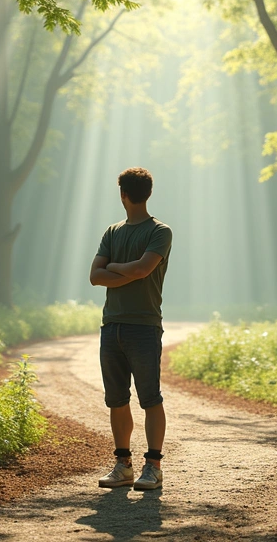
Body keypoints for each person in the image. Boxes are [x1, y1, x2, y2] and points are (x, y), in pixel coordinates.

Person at [88, 167, 173, 491]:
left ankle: (153, 466)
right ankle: (123, 466)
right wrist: (129, 271)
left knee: (150, 397)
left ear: (122, 193)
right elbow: (95, 276)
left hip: (144, 326)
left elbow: (140, 269)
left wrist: (112, 267)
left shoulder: (159, 231)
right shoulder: (113, 231)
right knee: (116, 399)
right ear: (146, 192)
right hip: (112, 326)